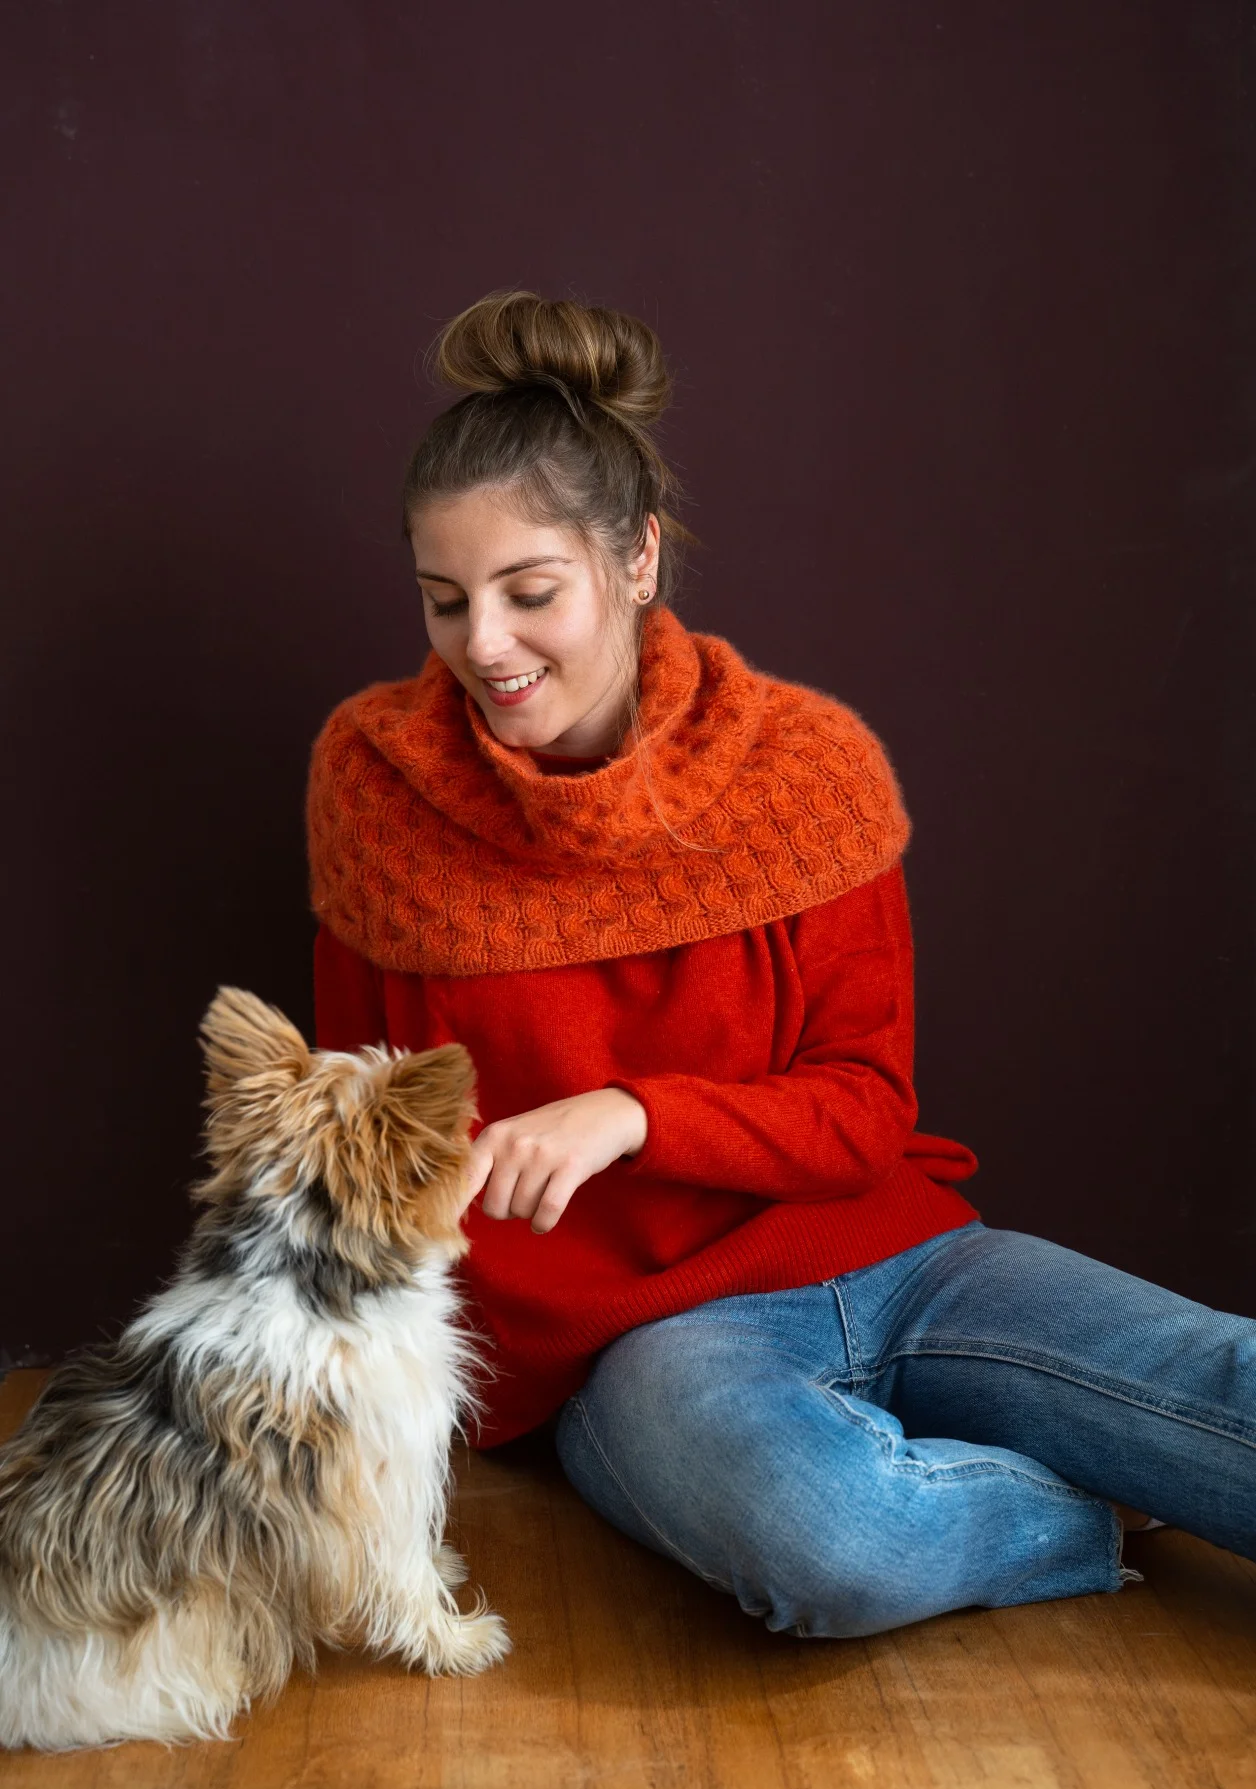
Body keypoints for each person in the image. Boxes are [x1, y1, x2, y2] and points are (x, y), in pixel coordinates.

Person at [306, 288, 1255, 1639]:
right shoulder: (378, 786)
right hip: (638, 1342)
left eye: (530, 593)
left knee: (1226, 1378)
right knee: (836, 1537)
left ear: (635, 559)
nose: (485, 648)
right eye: (444, 600)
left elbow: (865, 1103)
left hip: (895, 1255)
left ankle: (1095, 1456)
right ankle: (1098, 1503)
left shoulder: (803, 770)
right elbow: (366, 1108)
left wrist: (633, 1113)